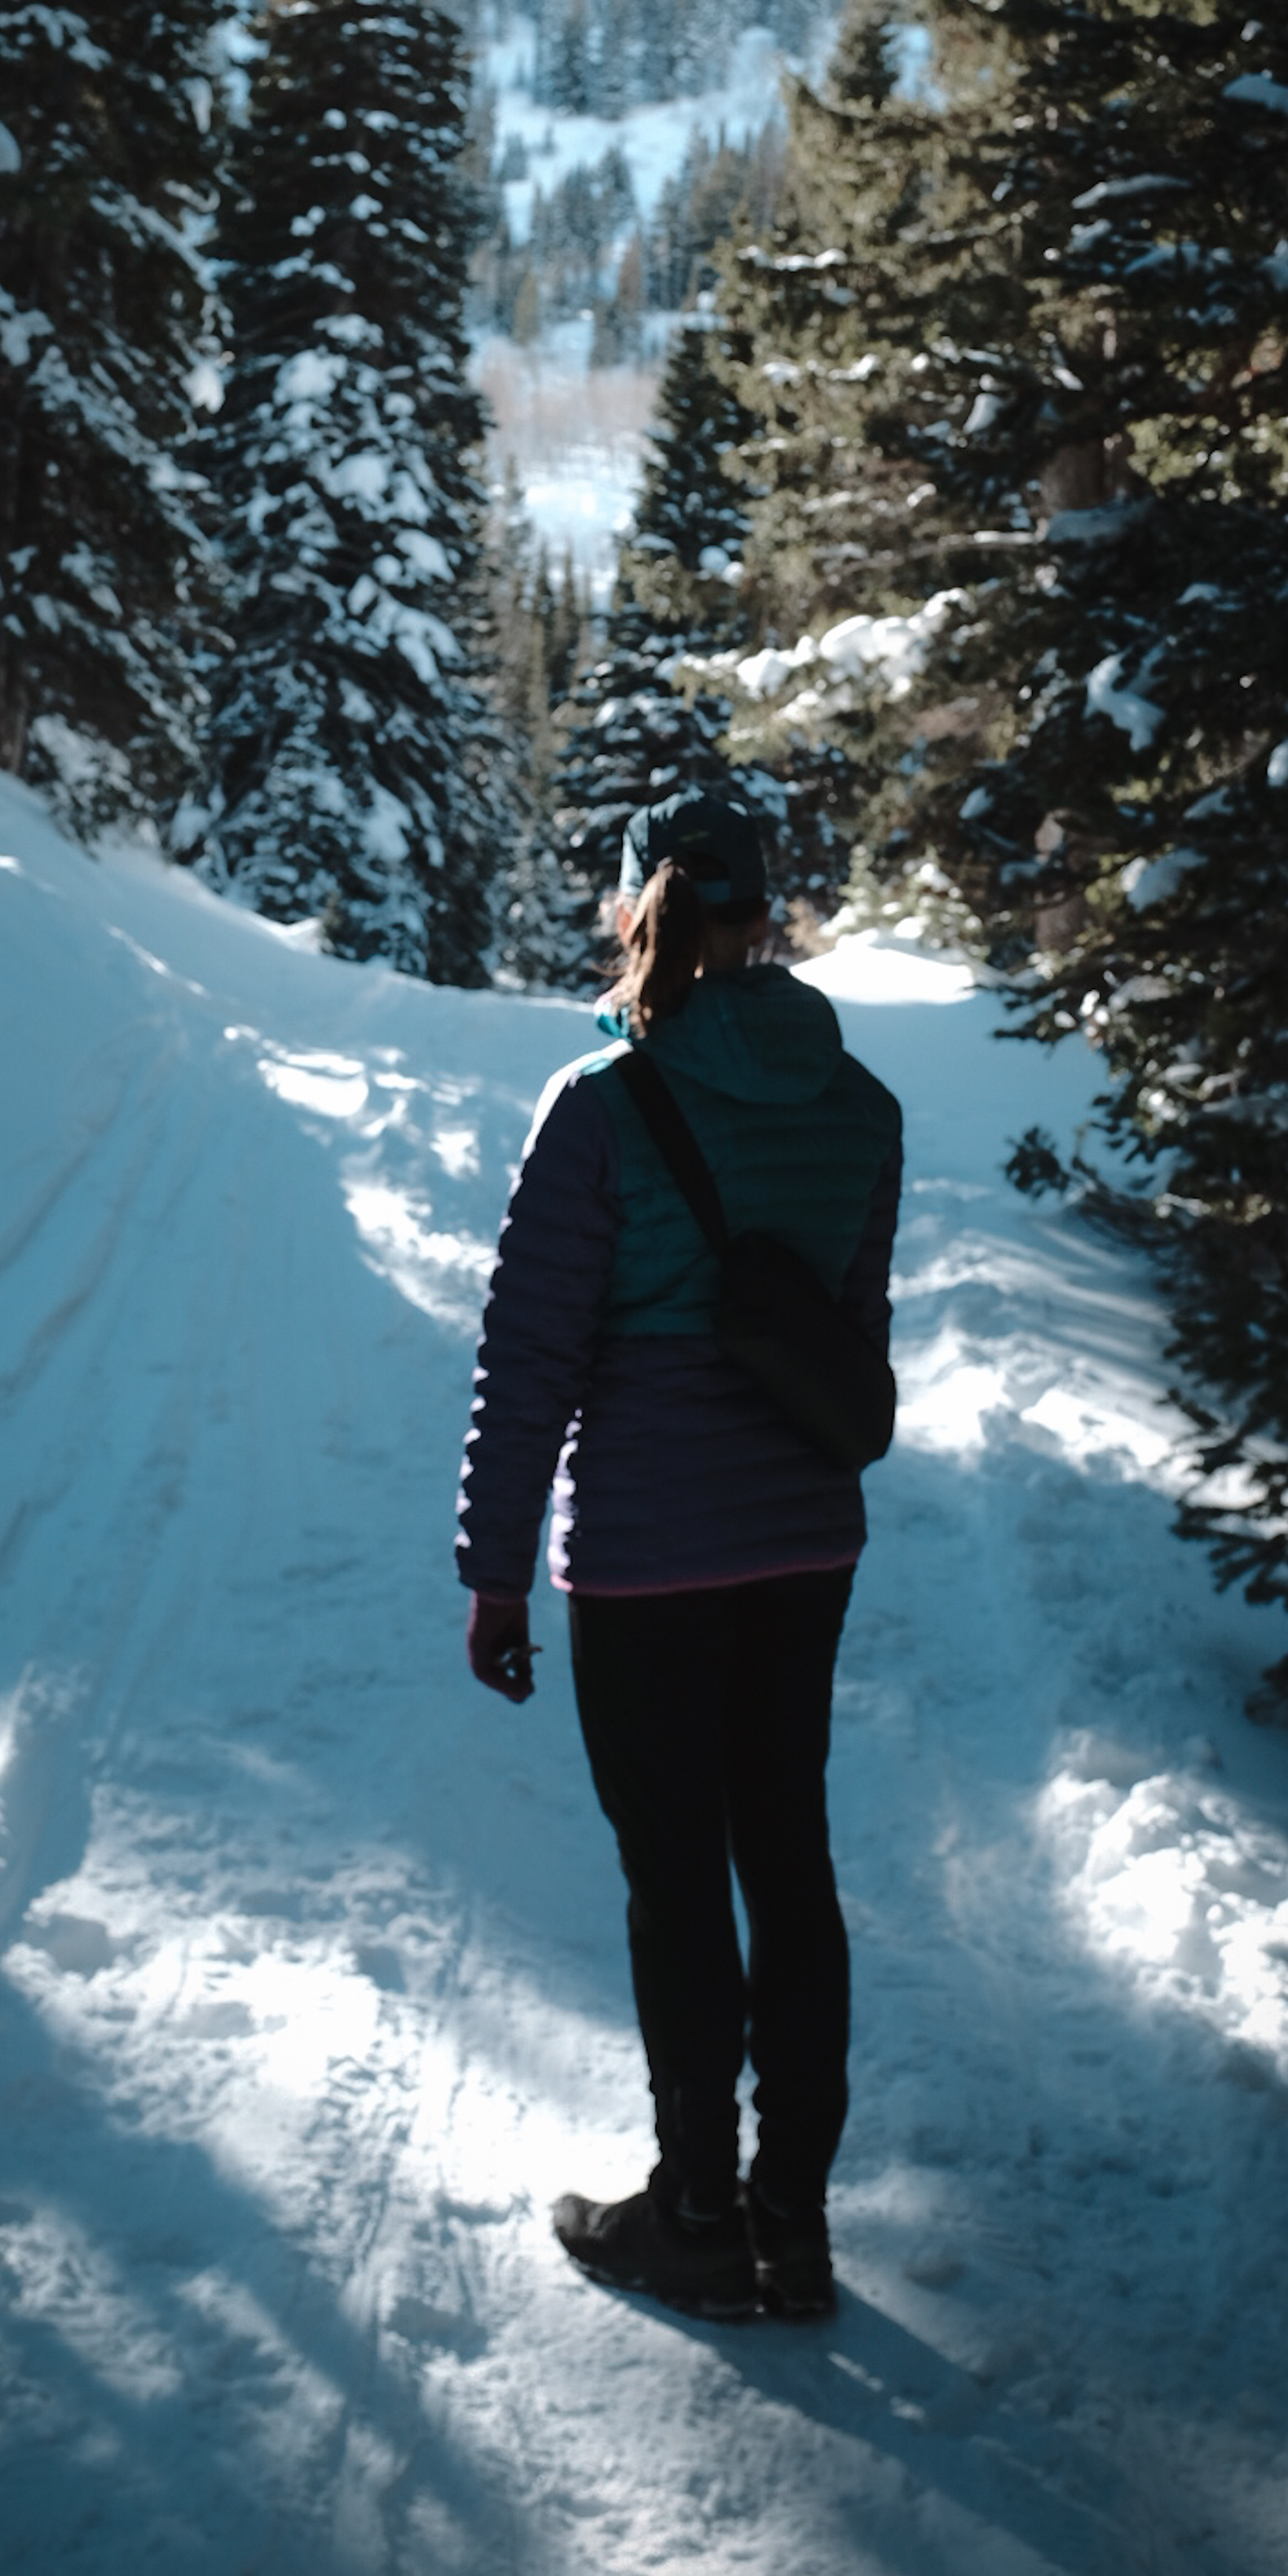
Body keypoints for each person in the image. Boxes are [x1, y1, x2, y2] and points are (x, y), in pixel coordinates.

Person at [454, 788, 902, 2321]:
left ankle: (697, 2210)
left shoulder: (601, 1103)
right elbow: (853, 1344)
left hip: (646, 1556)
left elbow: (530, 1362)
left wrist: (494, 1567)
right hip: (802, 1548)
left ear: (644, 904)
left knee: (676, 1882)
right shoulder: (861, 1105)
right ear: (763, 910)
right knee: (790, 1857)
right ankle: (796, 2224)